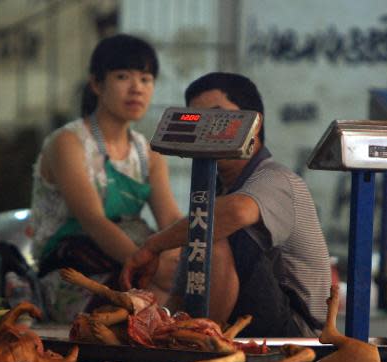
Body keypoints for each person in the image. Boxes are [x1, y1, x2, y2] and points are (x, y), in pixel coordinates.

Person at [121, 72, 331, 337]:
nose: (209, 127)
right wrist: (163, 326)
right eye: (199, 119)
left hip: (298, 331)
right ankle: (191, 339)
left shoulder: (277, 179)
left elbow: (235, 213)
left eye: (219, 115)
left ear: (254, 124)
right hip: (248, 322)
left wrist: (153, 245)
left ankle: (199, 345)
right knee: (207, 225)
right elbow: (186, 280)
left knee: (216, 231)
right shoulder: (217, 193)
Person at [29, 34, 182, 322]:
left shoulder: (147, 152)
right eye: (123, 76)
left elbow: (171, 218)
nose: (137, 88)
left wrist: (191, 253)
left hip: (130, 259)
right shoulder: (68, 143)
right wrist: (147, 264)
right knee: (145, 308)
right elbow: (94, 221)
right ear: (97, 84)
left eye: (146, 79)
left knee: (187, 282)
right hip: (72, 270)